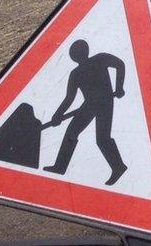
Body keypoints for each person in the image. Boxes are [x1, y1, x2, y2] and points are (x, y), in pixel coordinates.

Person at [43, 39, 128, 186]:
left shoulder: (99, 59)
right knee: (72, 132)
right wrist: (57, 115)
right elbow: (69, 98)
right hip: (89, 104)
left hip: (104, 102)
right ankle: (60, 167)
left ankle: (118, 167)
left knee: (102, 138)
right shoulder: (76, 73)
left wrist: (119, 86)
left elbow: (120, 64)